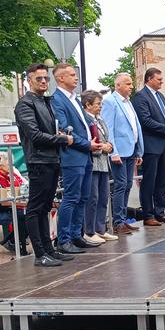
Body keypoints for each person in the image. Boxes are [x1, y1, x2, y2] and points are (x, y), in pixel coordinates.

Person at [14, 63, 74, 266]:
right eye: (38, 78)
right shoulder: (25, 103)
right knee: (36, 207)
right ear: (29, 80)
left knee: (46, 206)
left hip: (51, 159)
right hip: (38, 160)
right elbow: (35, 135)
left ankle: (49, 249)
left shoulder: (45, 101)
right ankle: (40, 254)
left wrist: (60, 136)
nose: (43, 81)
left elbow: (50, 130)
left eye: (45, 78)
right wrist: (62, 140)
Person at [50, 63, 104, 254]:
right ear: (61, 78)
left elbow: (83, 124)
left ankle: (76, 235)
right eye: (72, 75)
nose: (76, 77)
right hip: (72, 156)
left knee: (83, 197)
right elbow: (64, 129)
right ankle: (63, 240)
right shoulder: (57, 100)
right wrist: (87, 144)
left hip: (85, 155)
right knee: (71, 197)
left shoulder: (74, 99)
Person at [132, 67, 165, 226]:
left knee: (162, 181)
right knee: (149, 182)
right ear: (149, 79)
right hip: (150, 146)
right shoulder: (140, 97)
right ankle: (148, 215)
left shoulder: (161, 96)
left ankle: (160, 212)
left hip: (164, 144)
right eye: (159, 79)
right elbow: (145, 120)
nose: (161, 82)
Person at [101, 72, 144, 235]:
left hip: (131, 150)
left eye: (131, 83)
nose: (131, 86)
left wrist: (138, 150)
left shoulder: (128, 102)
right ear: (117, 85)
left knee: (127, 184)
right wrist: (114, 152)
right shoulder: (110, 102)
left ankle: (123, 219)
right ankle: (117, 221)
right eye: (127, 83)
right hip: (119, 151)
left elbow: (135, 126)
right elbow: (108, 128)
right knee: (120, 185)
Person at [81, 90, 117, 245]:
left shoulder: (99, 120)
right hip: (93, 164)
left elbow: (107, 138)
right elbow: (88, 142)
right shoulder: (85, 120)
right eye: (97, 104)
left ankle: (101, 229)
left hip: (104, 164)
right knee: (93, 198)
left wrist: (109, 145)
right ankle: (89, 230)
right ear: (88, 105)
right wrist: (103, 148)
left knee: (103, 196)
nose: (100, 106)